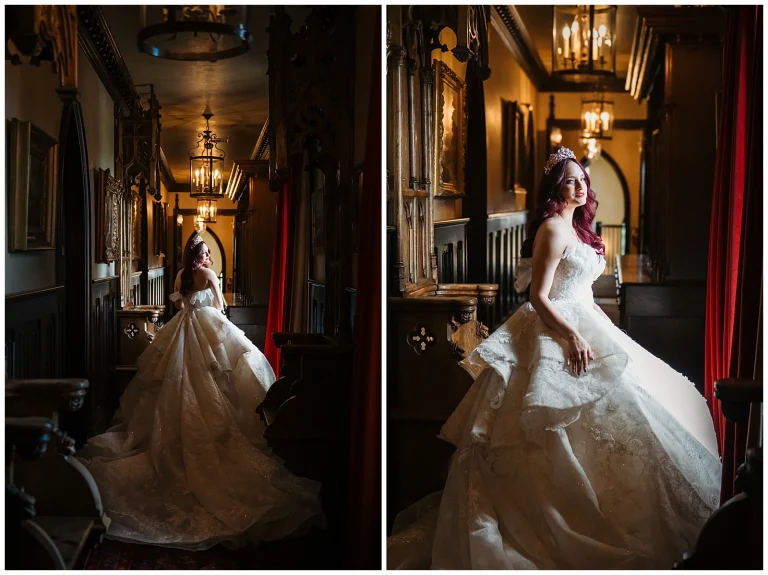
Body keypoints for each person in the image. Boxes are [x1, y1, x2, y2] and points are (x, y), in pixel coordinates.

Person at [387, 148, 721, 569]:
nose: (579, 186)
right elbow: (539, 297)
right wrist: (571, 336)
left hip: (585, 319)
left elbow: (581, 292)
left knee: (649, 402)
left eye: (582, 179)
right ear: (555, 188)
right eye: (569, 181)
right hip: (556, 327)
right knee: (550, 428)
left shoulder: (580, 227)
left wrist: (605, 330)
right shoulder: (551, 230)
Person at [78, 234, 323, 551]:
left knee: (174, 382)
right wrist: (217, 315)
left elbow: (179, 304)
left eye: (208, 253)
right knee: (220, 376)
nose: (208, 257)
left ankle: (170, 436)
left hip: (183, 326)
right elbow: (220, 306)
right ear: (198, 256)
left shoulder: (182, 275)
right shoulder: (207, 275)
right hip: (204, 325)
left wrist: (195, 310)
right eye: (205, 253)